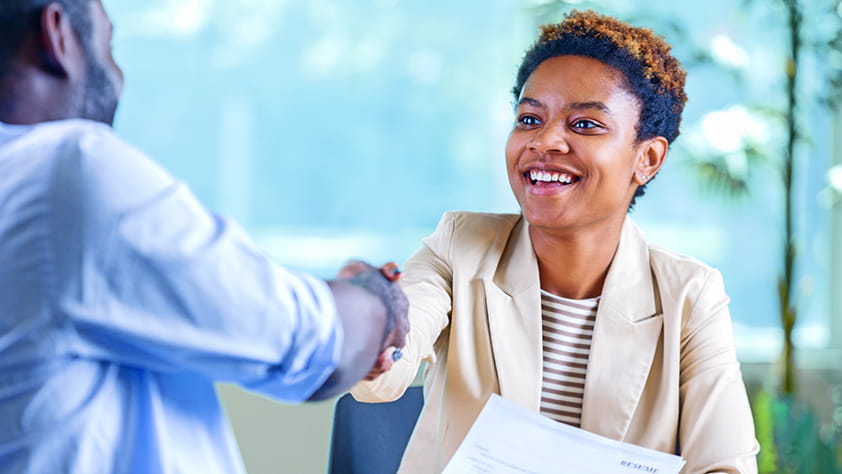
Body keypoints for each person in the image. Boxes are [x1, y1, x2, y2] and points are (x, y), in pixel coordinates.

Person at [0, 0, 408, 472]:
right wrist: (376, 297)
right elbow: (313, 344)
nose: (118, 75)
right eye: (108, 46)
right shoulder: (66, 171)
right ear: (58, 35)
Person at [352, 10, 760, 474]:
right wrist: (370, 331)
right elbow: (391, 358)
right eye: (529, 118)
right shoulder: (459, 246)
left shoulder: (690, 296)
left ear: (647, 158)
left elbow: (724, 466)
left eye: (584, 125)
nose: (545, 141)